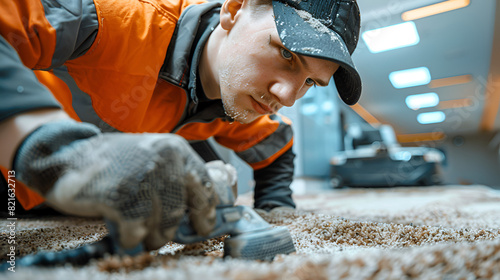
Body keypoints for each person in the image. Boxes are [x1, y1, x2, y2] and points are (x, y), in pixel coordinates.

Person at [0, 0, 361, 250]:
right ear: (234, 10)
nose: (286, 95)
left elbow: (277, 146)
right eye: (285, 54)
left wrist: (273, 208)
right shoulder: (116, 18)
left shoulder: (240, 100)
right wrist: (52, 148)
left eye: (311, 83)